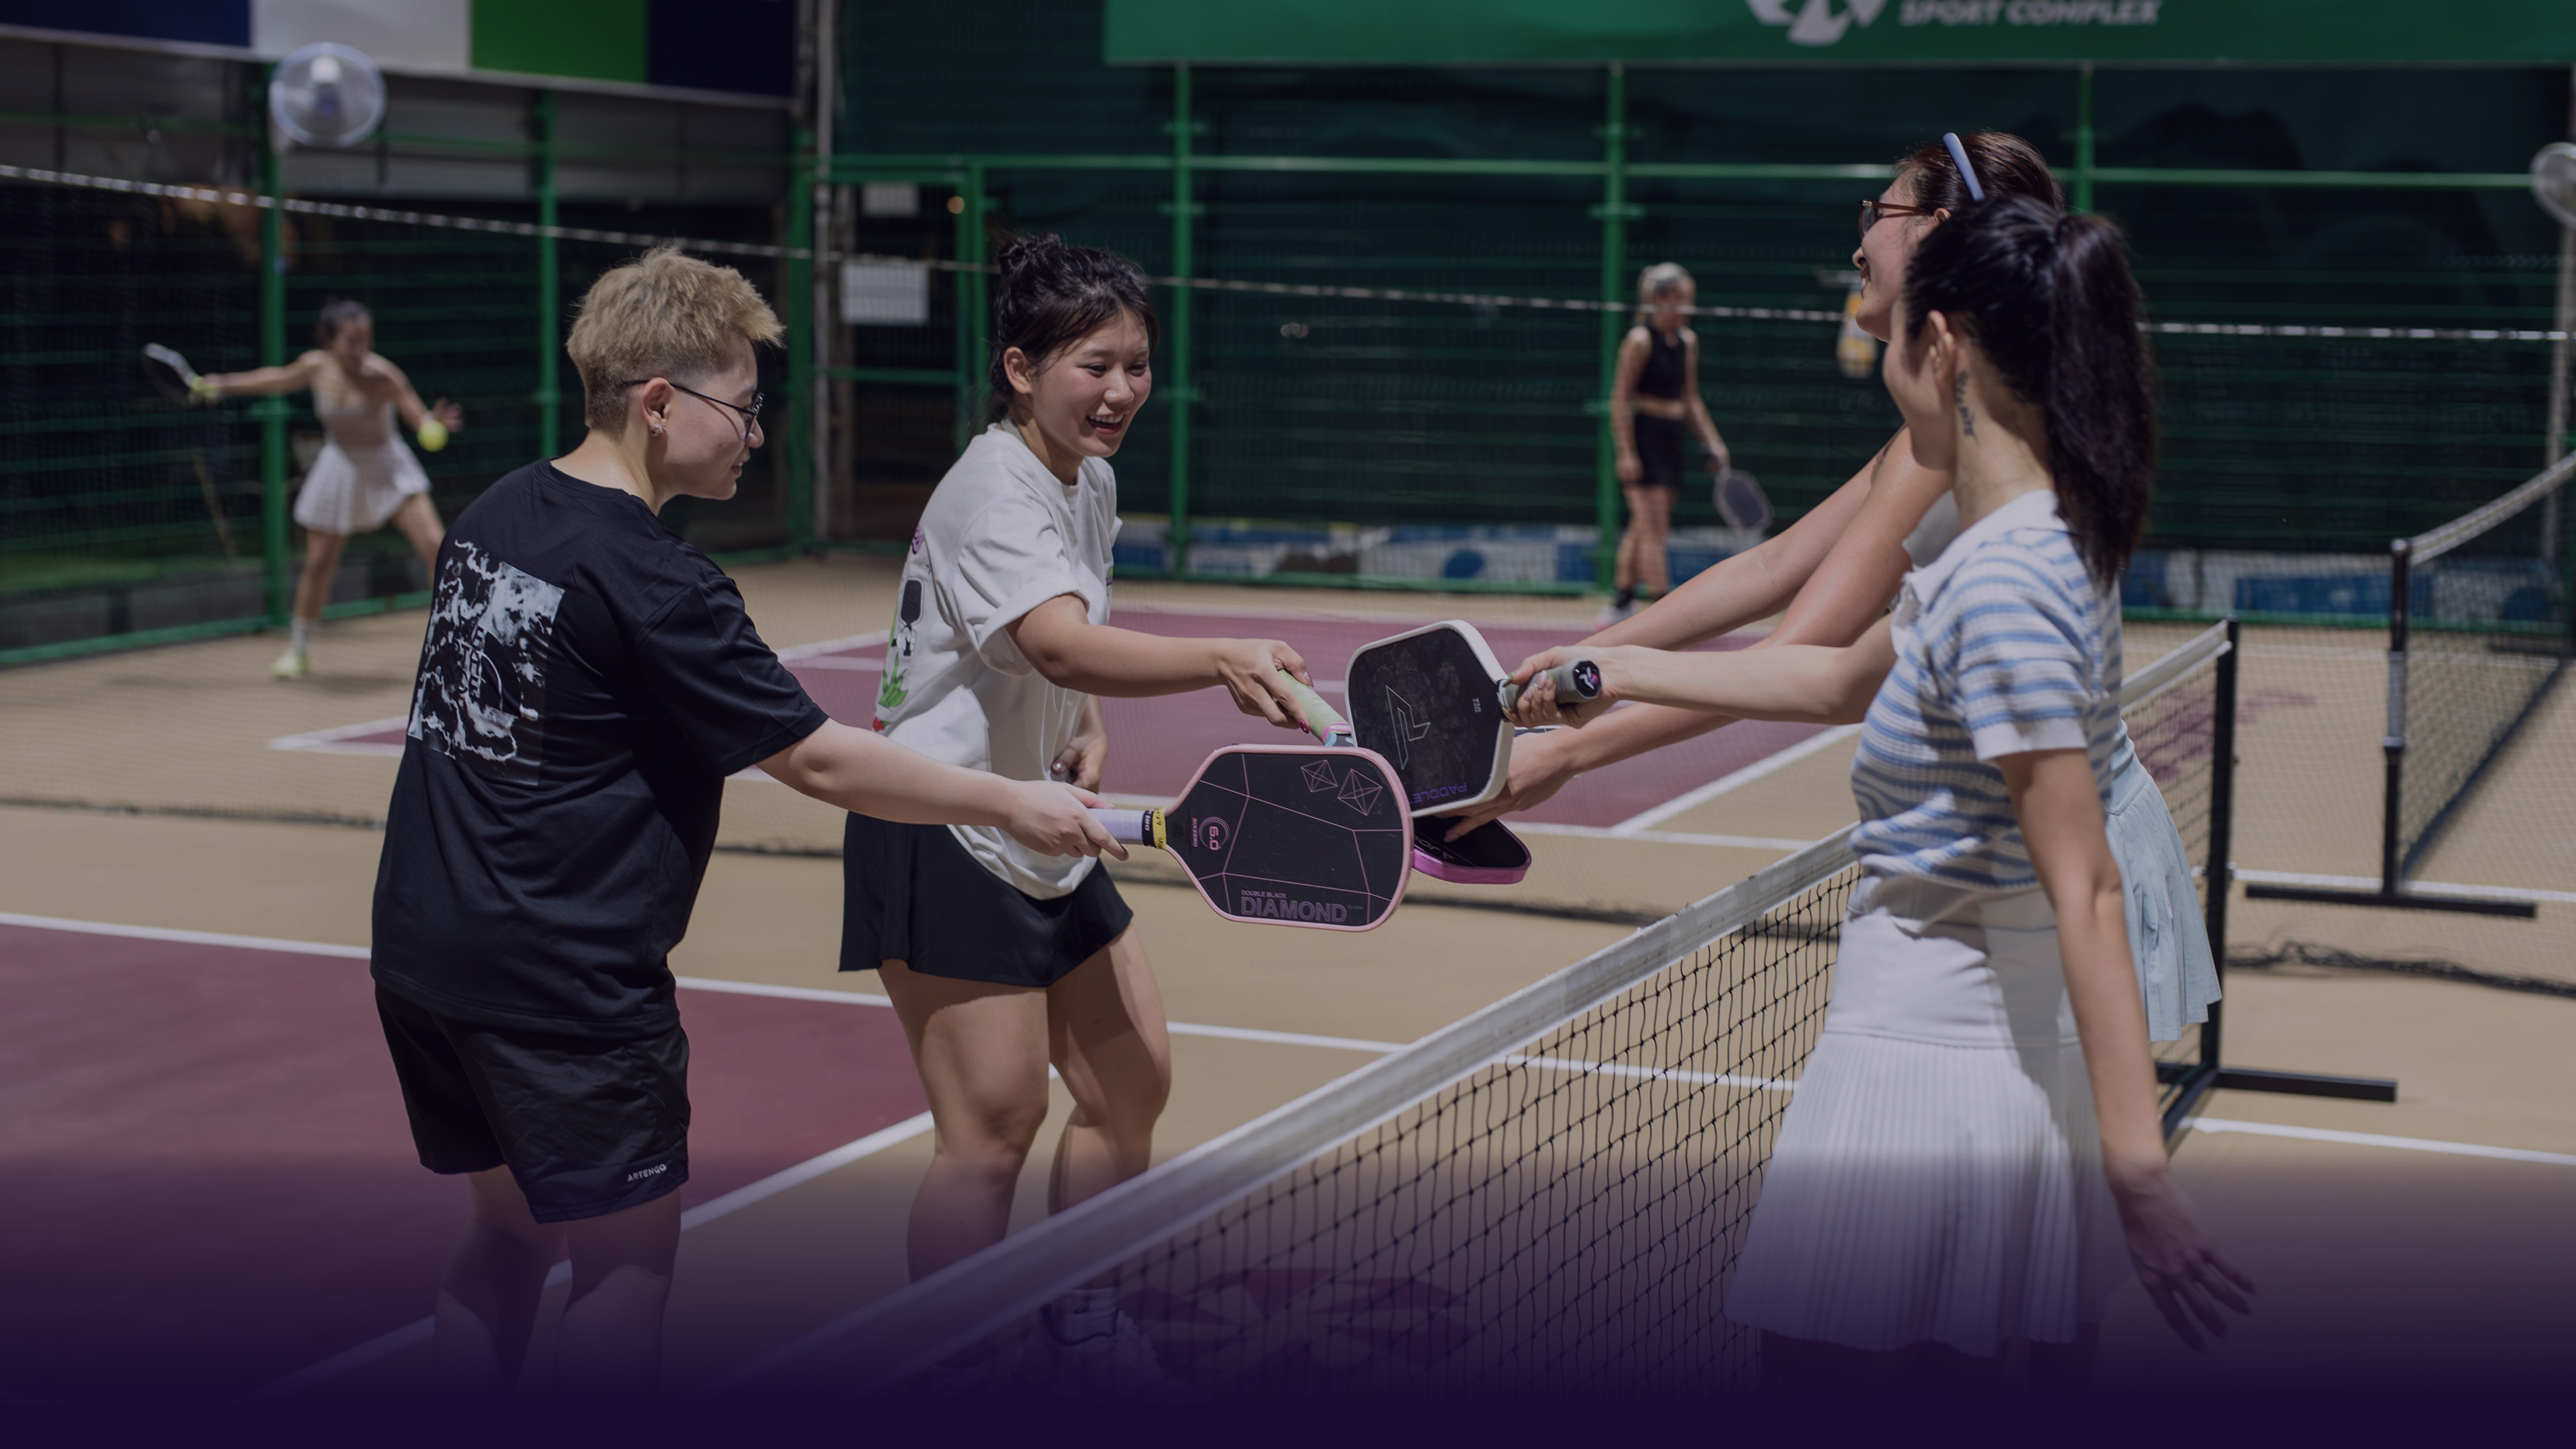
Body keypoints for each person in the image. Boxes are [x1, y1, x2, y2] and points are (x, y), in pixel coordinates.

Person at [1511, 195, 2253, 1395]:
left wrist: (2135, 1167)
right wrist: (1606, 671)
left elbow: (2090, 890)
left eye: (1896, 318)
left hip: (1928, 1072)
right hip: (1979, 1051)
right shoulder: (2012, 539)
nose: (1876, 340)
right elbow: (1839, 673)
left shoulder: (2011, 580)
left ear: (1947, 344)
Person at [368, 247, 1116, 1405]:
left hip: (423, 955)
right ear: (659, 403)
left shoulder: (495, 511)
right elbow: (817, 758)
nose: (754, 436)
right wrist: (1012, 798)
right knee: (626, 1273)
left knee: (505, 1239)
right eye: (743, 408)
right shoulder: (660, 581)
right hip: (563, 979)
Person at [1451, 131, 2218, 1046]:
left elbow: (1801, 665)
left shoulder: (1966, 453)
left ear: (1938, 231)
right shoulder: (1942, 432)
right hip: (2016, 864)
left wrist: (1566, 750)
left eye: (1880, 216)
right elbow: (1773, 568)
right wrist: (1576, 663)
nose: (1858, 245)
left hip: (2041, 879)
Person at [851, 234, 1316, 1402]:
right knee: (993, 1131)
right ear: (1019, 367)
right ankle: (953, 1366)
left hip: (1043, 820)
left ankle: (1079, 1307)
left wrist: (1090, 716)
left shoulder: (1085, 480)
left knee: (1130, 1083)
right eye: (1092, 366)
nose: (1119, 392)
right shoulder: (989, 486)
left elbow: (1060, 647)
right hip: (942, 824)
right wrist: (1215, 657)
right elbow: (1051, 633)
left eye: (1136, 366)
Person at [195, 299, 464, 678]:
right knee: (319, 563)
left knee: (437, 547)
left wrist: (428, 423)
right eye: (351, 341)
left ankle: (454, 644)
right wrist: (221, 385)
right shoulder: (315, 367)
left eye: (365, 340)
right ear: (330, 341)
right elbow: (274, 379)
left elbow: (417, 417)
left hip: (387, 464)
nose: (360, 350)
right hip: (339, 465)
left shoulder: (383, 375)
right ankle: (300, 649)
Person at [1601, 263, 1732, 626]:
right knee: (1654, 528)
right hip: (1644, 436)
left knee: (1644, 526)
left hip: (1672, 438)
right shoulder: (1639, 341)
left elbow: (1691, 399)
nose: (1687, 307)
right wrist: (1626, 452)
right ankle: (1662, 611)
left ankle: (1620, 601)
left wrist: (1713, 443)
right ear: (1659, 299)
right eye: (1681, 300)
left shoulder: (1688, 342)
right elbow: (1619, 398)